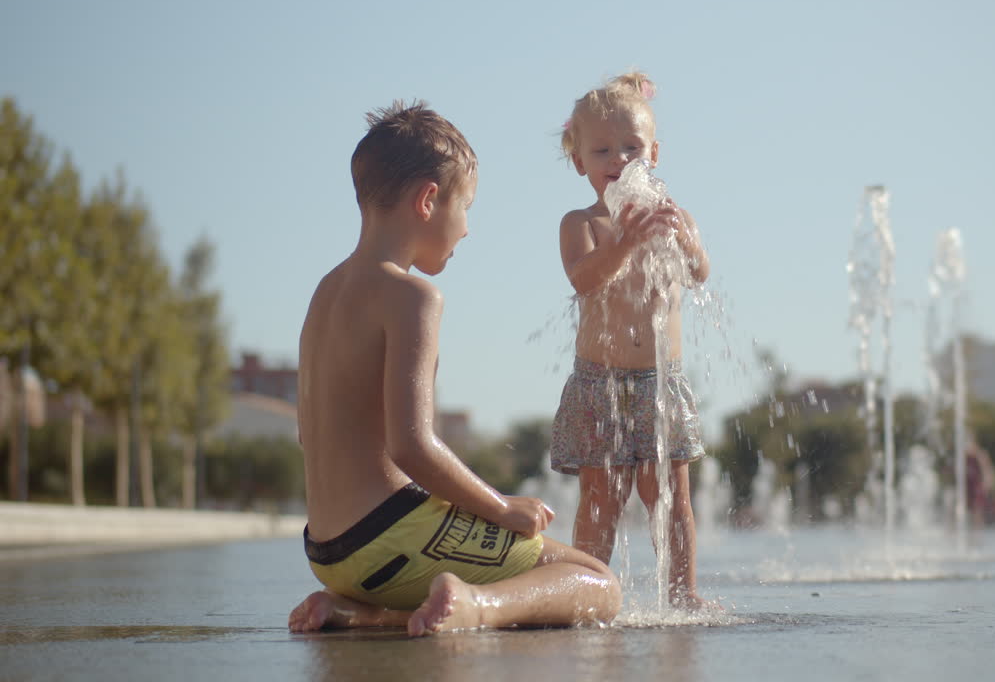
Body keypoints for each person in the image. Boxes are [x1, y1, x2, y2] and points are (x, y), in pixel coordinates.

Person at [287, 101, 621, 637]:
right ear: (428, 201)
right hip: (390, 537)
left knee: (496, 555)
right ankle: (475, 606)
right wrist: (501, 507)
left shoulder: (325, 292)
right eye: (465, 207)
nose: (466, 229)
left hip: (329, 553)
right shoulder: (413, 297)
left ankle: (361, 612)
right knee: (597, 582)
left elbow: (309, 433)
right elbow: (410, 446)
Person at [552, 72, 713, 609]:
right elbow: (584, 279)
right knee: (601, 499)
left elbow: (699, 273)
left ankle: (683, 595)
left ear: (654, 154)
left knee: (671, 498)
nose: (618, 159)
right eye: (602, 150)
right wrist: (622, 242)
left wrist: (685, 239)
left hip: (660, 384)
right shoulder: (582, 223)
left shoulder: (675, 217)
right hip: (600, 382)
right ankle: (586, 591)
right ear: (579, 161)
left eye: (631, 147)